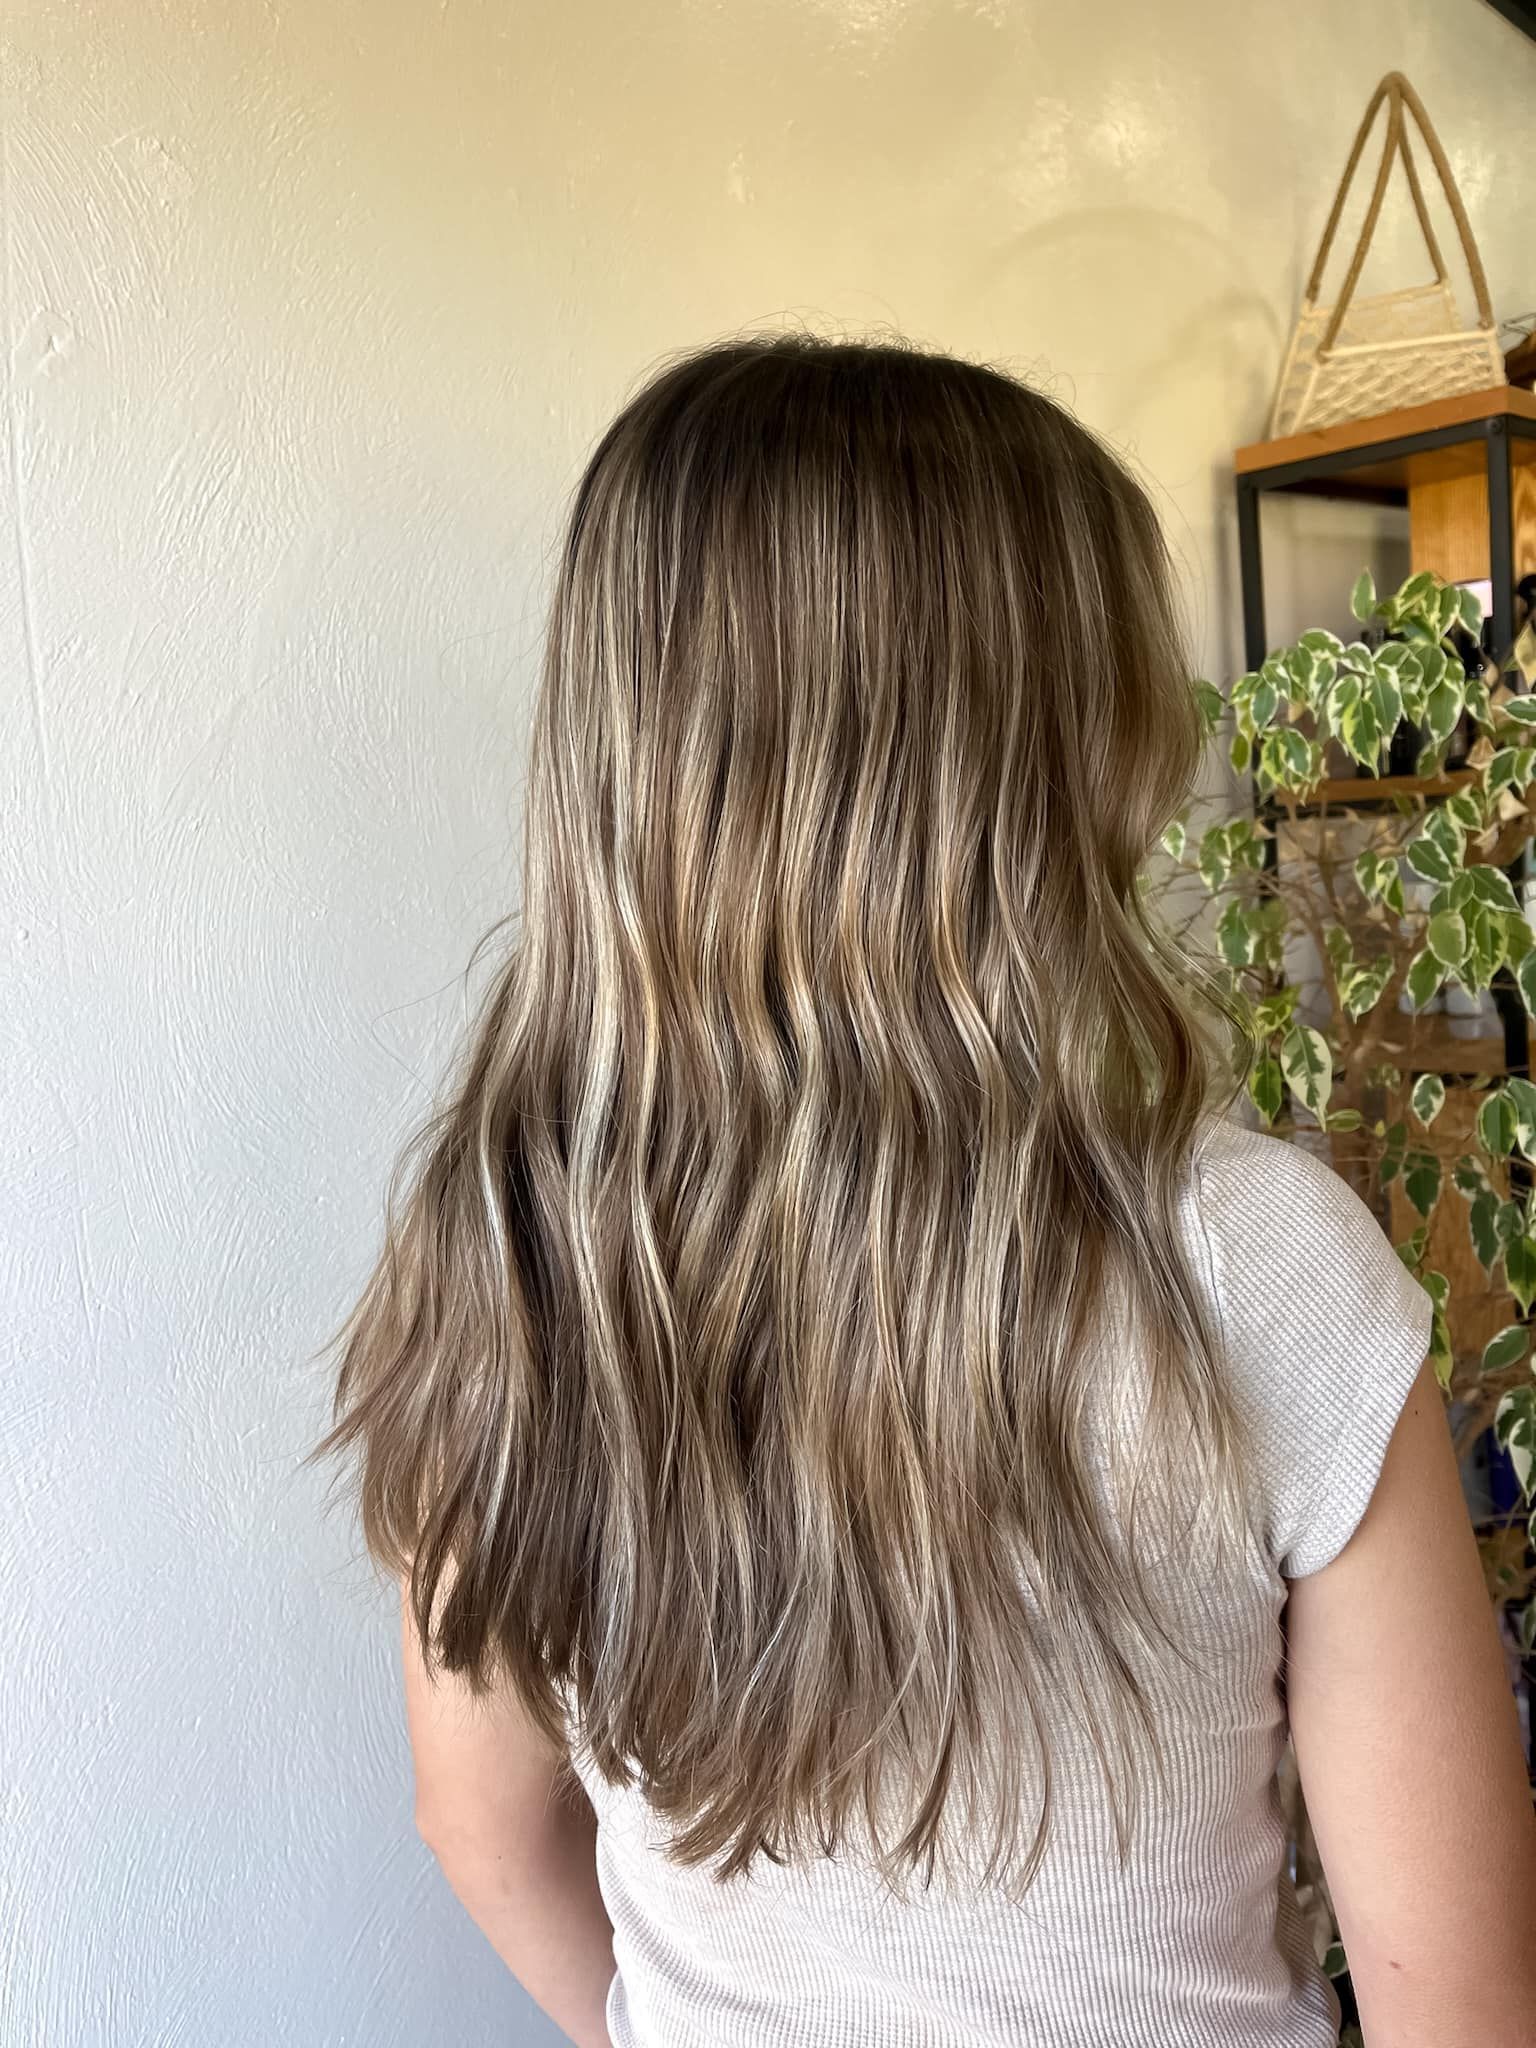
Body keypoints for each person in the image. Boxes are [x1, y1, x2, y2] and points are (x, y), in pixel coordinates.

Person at [312, 334, 1536, 2048]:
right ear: (1059, 750)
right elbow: (1463, 2002)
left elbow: (482, 1827)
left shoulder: (506, 1257)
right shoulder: (1253, 1263)